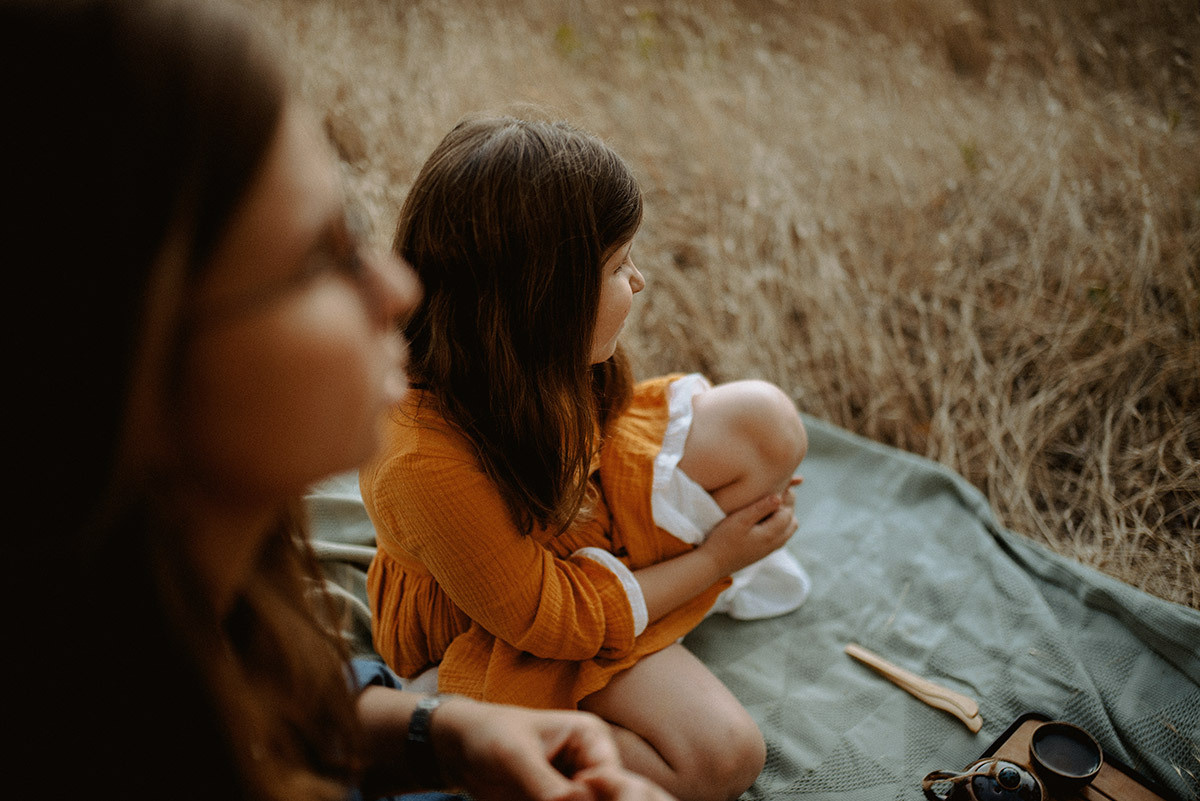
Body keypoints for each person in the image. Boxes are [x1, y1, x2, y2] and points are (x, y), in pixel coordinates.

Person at [5, 2, 676, 800]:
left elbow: (260, 707)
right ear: (111, 363)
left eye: (353, 229)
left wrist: (438, 731)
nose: (394, 288)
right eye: (309, 265)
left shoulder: (189, 614)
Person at [360, 116, 810, 801]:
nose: (641, 279)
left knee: (768, 424)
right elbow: (550, 615)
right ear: (541, 298)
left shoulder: (526, 352)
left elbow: (604, 424)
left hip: (573, 516)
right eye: (616, 265)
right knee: (725, 758)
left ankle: (633, 601)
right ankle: (474, 707)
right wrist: (716, 558)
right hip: (506, 616)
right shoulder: (420, 460)